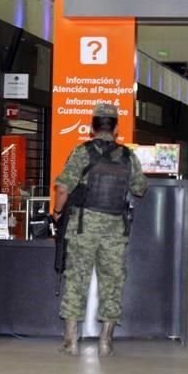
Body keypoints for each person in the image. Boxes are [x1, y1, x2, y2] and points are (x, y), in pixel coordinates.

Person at [52, 103, 148, 356]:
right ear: (116, 128)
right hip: (115, 228)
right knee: (113, 282)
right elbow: (140, 188)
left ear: (92, 126)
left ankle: (70, 340)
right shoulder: (128, 156)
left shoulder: (81, 152)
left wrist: (58, 212)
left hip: (83, 225)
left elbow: (62, 188)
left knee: (76, 279)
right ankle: (106, 340)